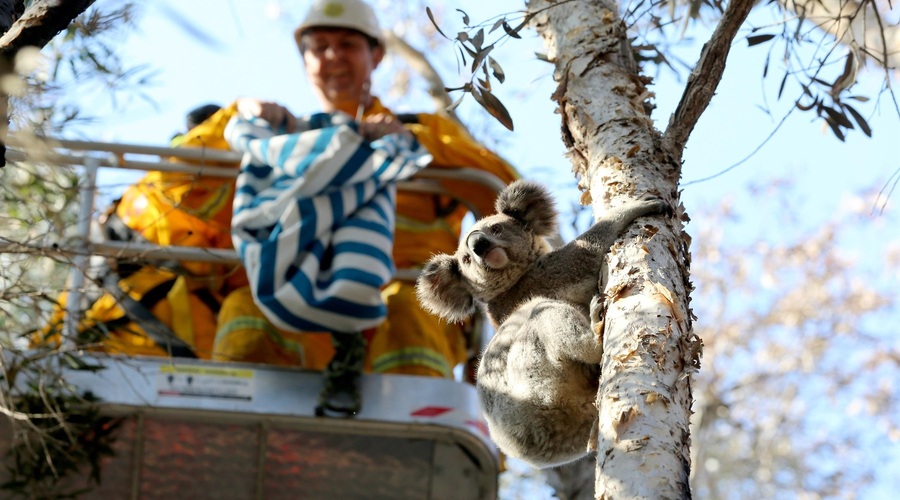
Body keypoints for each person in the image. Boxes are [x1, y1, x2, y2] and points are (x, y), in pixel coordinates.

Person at [203, 0, 519, 378]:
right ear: (303, 59)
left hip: (406, 298)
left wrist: (417, 147)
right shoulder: (280, 142)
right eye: (319, 47)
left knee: (410, 314)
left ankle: (415, 429)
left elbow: (502, 189)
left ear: (377, 55)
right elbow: (181, 180)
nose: (333, 56)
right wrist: (237, 115)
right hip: (296, 293)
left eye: (348, 45)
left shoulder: (424, 132)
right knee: (244, 311)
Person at [38, 104, 247, 359]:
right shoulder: (170, 182)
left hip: (116, 339)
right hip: (151, 337)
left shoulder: (154, 196)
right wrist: (243, 110)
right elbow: (199, 151)